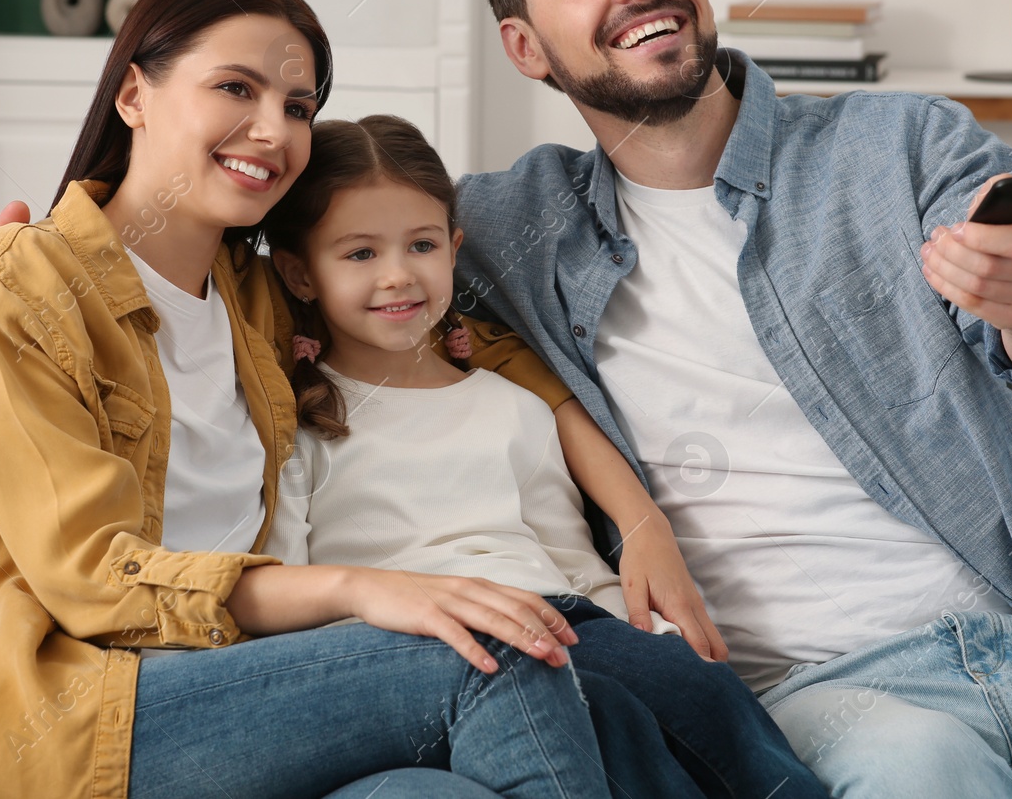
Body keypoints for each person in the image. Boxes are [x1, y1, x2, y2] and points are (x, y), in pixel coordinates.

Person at [0, 0, 1012, 796]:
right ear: (528, 45)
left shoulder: (894, 145)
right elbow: (322, 264)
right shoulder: (504, 224)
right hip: (826, 689)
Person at [0, 0, 640, 799]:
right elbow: (90, 574)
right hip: (33, 716)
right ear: (134, 95)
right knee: (492, 649)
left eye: (297, 107)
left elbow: (429, 321)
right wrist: (361, 588)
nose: (272, 130)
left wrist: (637, 513)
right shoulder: (26, 282)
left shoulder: (257, 294)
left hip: (221, 696)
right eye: (235, 88)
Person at [257, 114, 827, 799]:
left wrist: (652, 632)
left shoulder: (512, 405)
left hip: (560, 619)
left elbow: (573, 561)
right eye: (359, 254)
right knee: (606, 711)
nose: (399, 275)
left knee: (687, 684)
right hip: (415, 651)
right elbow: (285, 580)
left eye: (421, 244)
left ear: (454, 246)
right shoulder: (301, 423)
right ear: (299, 273)